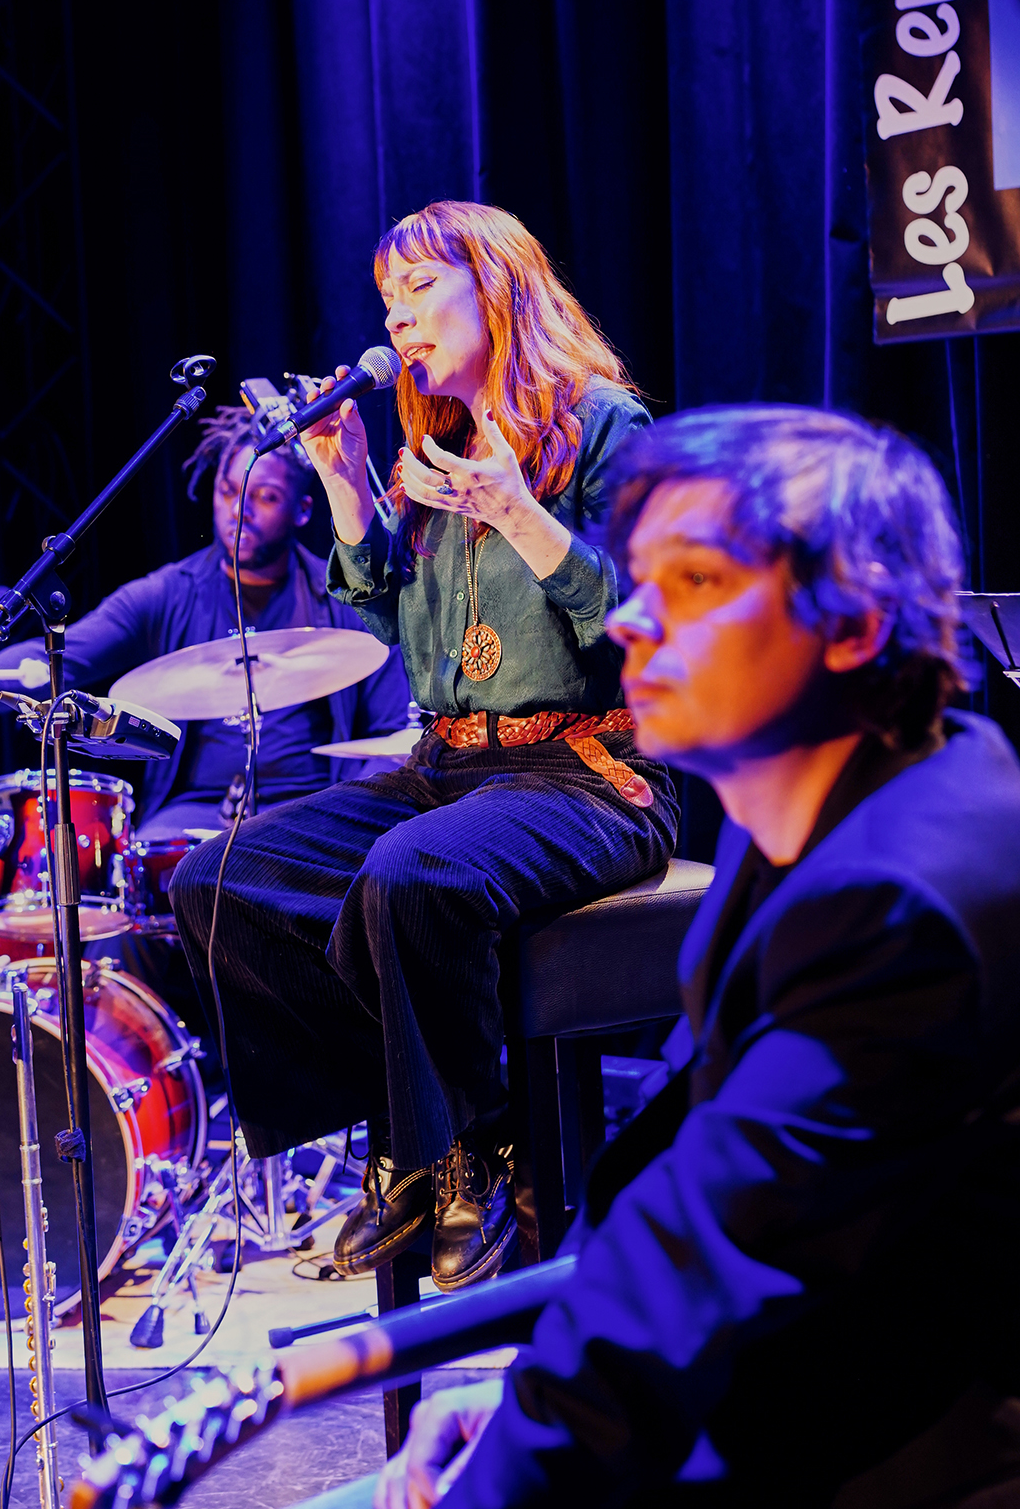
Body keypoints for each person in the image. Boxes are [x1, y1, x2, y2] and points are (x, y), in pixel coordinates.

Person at [339, 403, 1020, 1509]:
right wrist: (520, 1389)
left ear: (854, 624)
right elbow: (678, 1170)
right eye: (643, 580)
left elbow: (694, 1264)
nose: (629, 622)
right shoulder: (811, 807)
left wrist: (512, 1466)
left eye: (694, 582)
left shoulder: (903, 901)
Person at [170, 200, 679, 1294]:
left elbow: (646, 626)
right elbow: (400, 630)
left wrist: (520, 512)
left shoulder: (606, 426)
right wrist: (345, 480)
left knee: (410, 874)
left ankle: (466, 1156)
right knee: (218, 879)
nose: (396, 319)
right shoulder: (435, 447)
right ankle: (417, 1147)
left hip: (587, 772)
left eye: (418, 290)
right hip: (447, 764)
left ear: (495, 290)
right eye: (386, 300)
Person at [0, 404, 411, 835]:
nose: (240, 510)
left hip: (311, 802)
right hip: (195, 811)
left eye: (266, 497)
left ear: (302, 510)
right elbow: (68, 652)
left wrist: (350, 813)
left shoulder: (349, 596)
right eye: (228, 491)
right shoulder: (167, 594)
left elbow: (391, 733)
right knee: (149, 892)